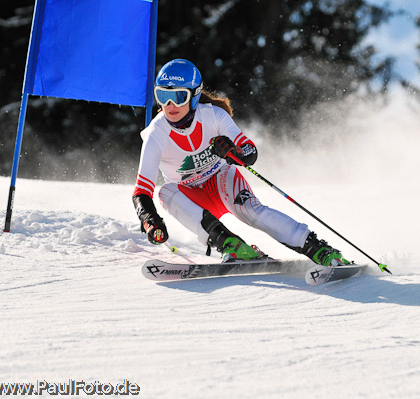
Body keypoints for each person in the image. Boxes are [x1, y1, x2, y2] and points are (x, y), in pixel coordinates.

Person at [132, 58, 349, 266]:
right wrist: (150, 220)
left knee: (251, 211)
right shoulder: (155, 134)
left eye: (178, 97)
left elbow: (250, 151)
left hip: (221, 181)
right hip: (192, 199)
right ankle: (231, 245)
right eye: (163, 96)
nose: (170, 105)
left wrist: (231, 150)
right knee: (165, 193)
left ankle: (318, 249)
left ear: (194, 96)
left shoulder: (214, 116)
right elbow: (142, 191)